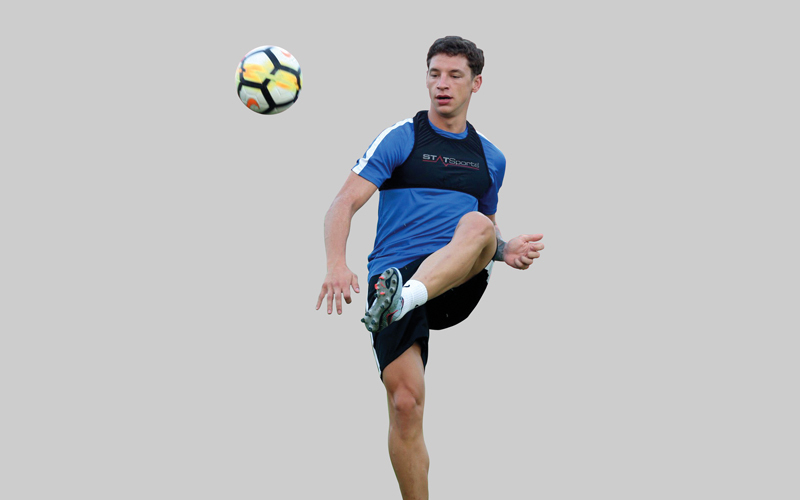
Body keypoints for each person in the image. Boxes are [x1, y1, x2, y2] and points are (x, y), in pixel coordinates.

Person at [316, 36, 544, 500]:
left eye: (455, 75)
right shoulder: (402, 137)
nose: (442, 84)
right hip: (392, 276)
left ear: (476, 84)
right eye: (434, 74)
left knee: (478, 223)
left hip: (453, 285)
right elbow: (343, 202)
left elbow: (484, 234)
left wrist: (505, 250)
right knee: (405, 404)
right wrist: (336, 262)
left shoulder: (491, 158)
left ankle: (406, 299)